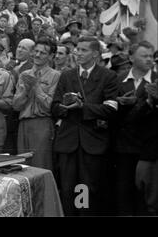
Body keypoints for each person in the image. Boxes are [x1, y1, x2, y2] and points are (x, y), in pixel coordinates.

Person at [52, 36, 119, 216]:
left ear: (95, 54)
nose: (78, 53)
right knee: (67, 189)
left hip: (93, 142)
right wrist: (65, 106)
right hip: (68, 142)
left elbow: (111, 108)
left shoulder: (108, 76)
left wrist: (83, 107)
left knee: (87, 189)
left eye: (83, 50)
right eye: (77, 49)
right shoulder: (67, 75)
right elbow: (54, 107)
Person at [111, 41, 157, 216]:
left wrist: (151, 103)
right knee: (123, 191)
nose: (149, 59)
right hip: (122, 147)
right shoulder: (118, 78)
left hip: (148, 149)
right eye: (144, 55)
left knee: (146, 197)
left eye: (151, 56)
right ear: (131, 57)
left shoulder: (156, 80)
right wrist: (121, 104)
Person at [13, 38, 61, 170]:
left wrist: (36, 87)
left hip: (42, 123)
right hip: (23, 124)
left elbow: (51, 106)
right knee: (23, 166)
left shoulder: (56, 76)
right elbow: (16, 106)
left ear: (51, 56)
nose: (38, 55)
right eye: (36, 51)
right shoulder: (24, 75)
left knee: (41, 165)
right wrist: (26, 91)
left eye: (43, 53)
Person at [134, 77, 158, 215]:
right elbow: (135, 121)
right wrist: (149, 102)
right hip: (148, 154)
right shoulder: (150, 103)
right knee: (144, 193)